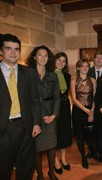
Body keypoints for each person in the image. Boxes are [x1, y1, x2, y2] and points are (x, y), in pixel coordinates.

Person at [0, 34, 41, 180]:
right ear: (1, 51)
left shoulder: (28, 73)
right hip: (4, 130)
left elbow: (35, 100)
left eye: (17, 49)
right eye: (8, 48)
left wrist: (36, 123)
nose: (13, 52)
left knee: (25, 168)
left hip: (26, 127)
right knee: (3, 169)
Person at [26, 45, 61, 180]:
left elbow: (57, 97)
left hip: (50, 113)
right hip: (34, 115)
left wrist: (53, 115)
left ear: (49, 58)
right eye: (40, 55)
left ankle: (51, 172)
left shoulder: (53, 75)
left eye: (45, 55)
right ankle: (40, 174)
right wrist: (38, 118)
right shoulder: (28, 74)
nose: (43, 58)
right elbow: (27, 98)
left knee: (51, 145)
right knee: (37, 147)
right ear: (34, 57)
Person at [70, 58, 97, 169]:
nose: (85, 68)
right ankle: (83, 157)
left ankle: (93, 152)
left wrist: (92, 112)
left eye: (87, 66)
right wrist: (87, 111)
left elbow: (95, 97)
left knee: (91, 136)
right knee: (80, 136)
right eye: (82, 66)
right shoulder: (73, 81)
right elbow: (74, 99)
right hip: (78, 111)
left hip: (91, 110)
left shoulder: (93, 80)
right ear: (78, 68)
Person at [53, 52, 72, 174]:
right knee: (54, 133)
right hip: (53, 107)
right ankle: (55, 160)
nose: (61, 63)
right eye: (59, 60)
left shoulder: (67, 76)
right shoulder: (49, 74)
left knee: (64, 132)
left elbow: (67, 93)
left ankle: (63, 158)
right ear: (54, 61)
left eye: (64, 61)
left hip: (64, 106)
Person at [88, 51, 102, 162]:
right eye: (97, 58)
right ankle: (92, 150)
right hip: (90, 105)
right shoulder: (88, 71)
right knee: (91, 129)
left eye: (101, 58)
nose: (99, 60)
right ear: (94, 59)